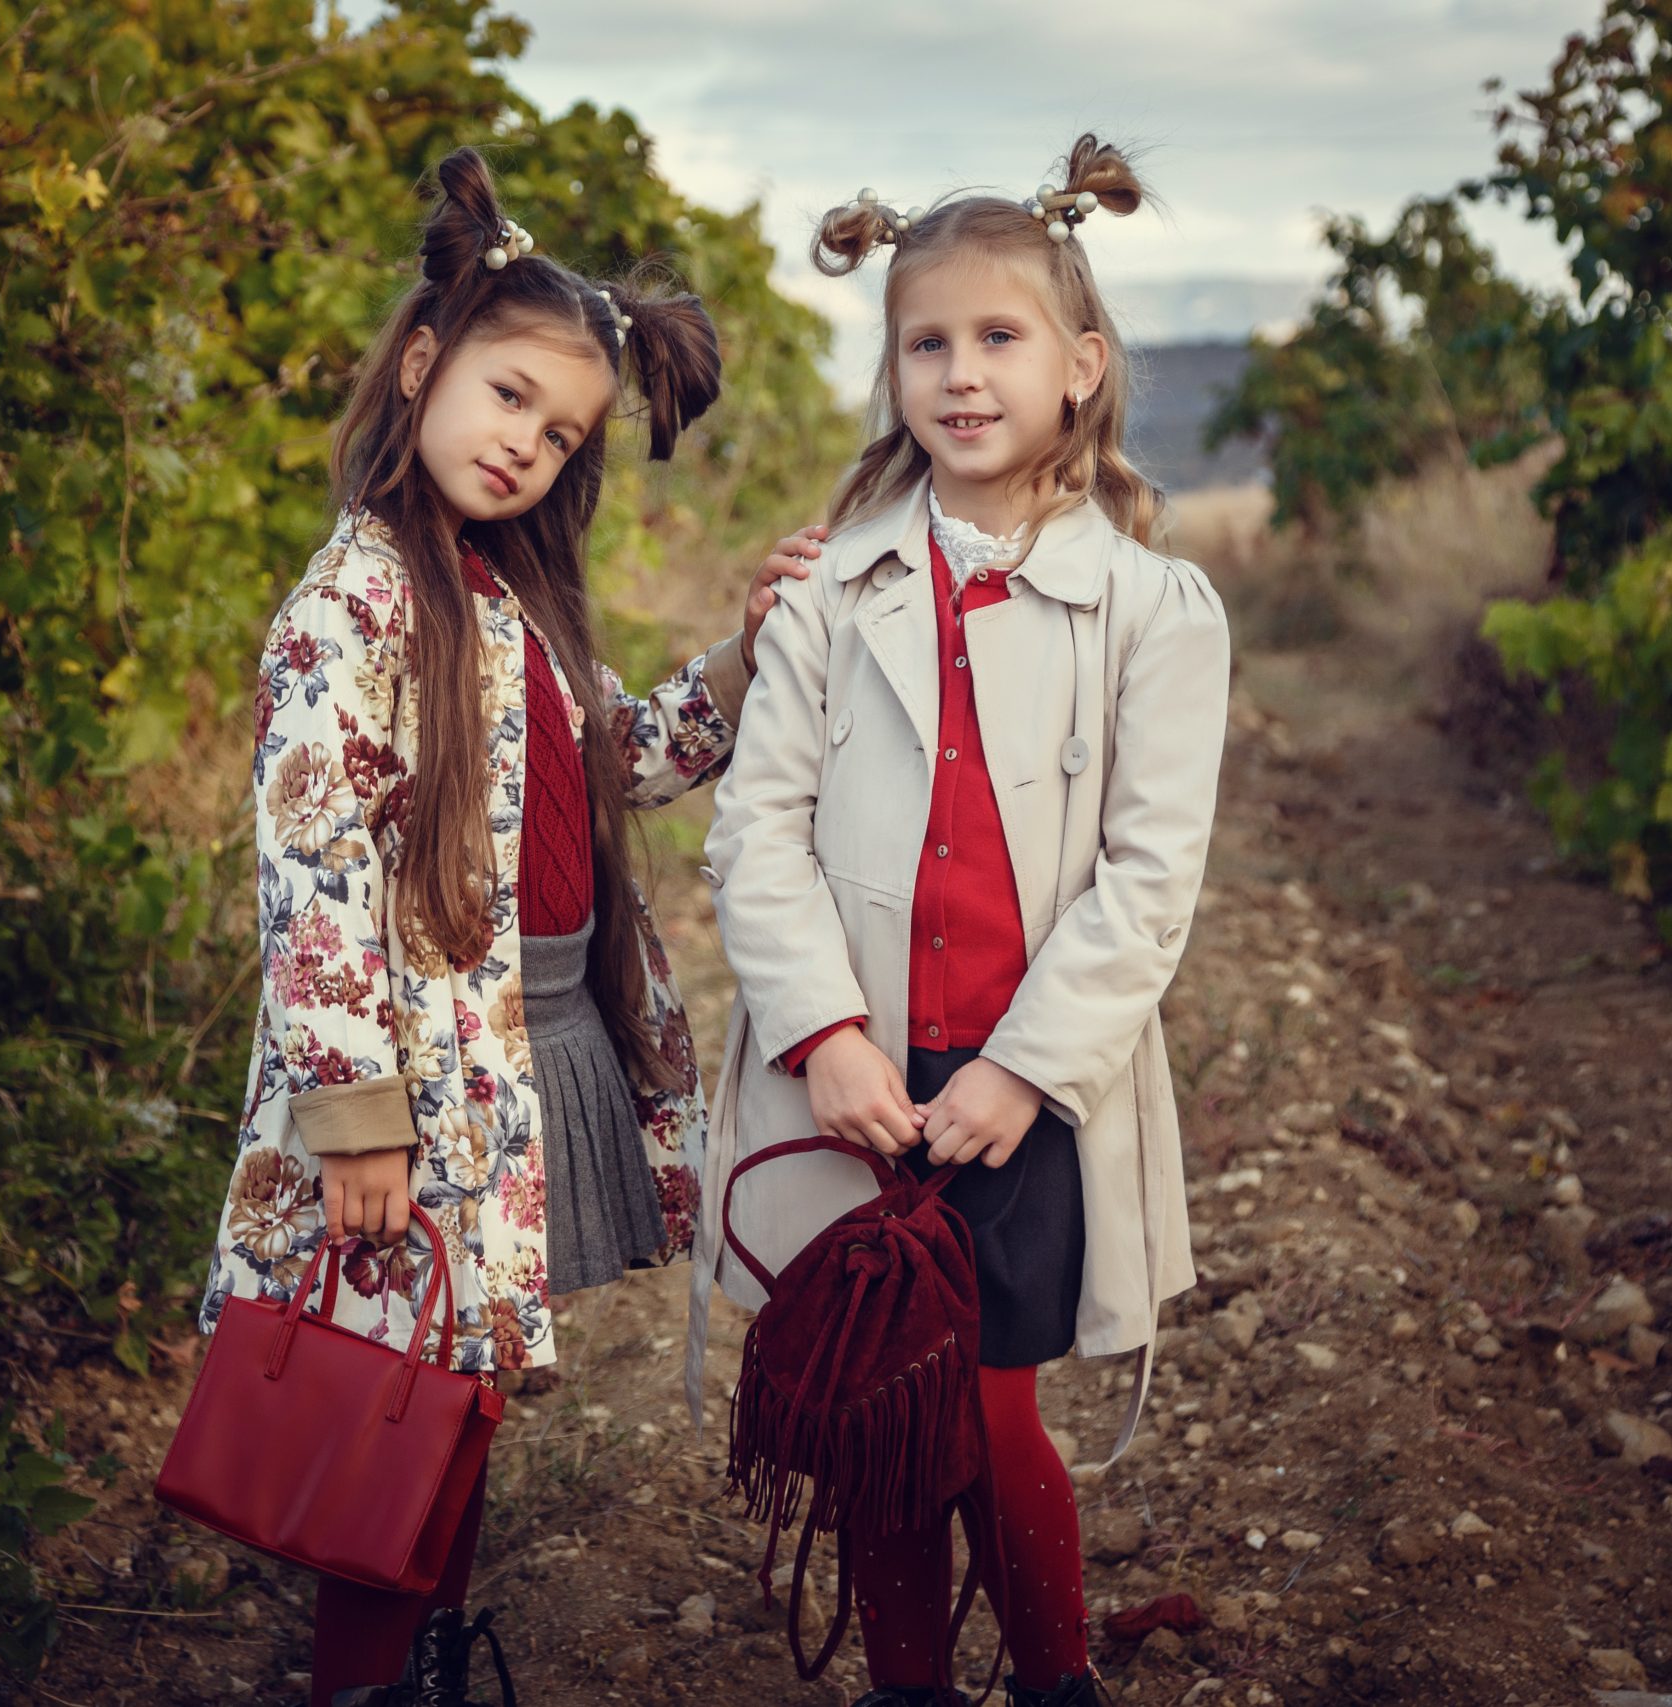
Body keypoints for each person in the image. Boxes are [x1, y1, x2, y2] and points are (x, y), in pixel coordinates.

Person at [195, 146, 790, 1707]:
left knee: (457, 1398)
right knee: (386, 1403)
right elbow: (313, 877)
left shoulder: (497, 596)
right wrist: (356, 1123)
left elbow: (623, 759)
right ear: (421, 365)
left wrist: (746, 655)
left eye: (562, 428)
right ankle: (369, 1682)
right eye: (509, 394)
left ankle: (430, 1658)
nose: (528, 440)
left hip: (516, 1049)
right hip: (409, 1079)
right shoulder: (357, 605)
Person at [695, 135, 1232, 1707]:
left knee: (989, 1416)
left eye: (999, 339)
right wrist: (826, 1037)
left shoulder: (1151, 607)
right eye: (927, 343)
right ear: (894, 369)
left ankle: (1057, 1682)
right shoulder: (827, 597)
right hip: (858, 1071)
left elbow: (1151, 877)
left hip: (1019, 1090)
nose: (962, 374)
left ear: (1081, 367)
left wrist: (1019, 1070)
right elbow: (756, 833)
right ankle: (910, 1691)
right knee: (882, 1411)